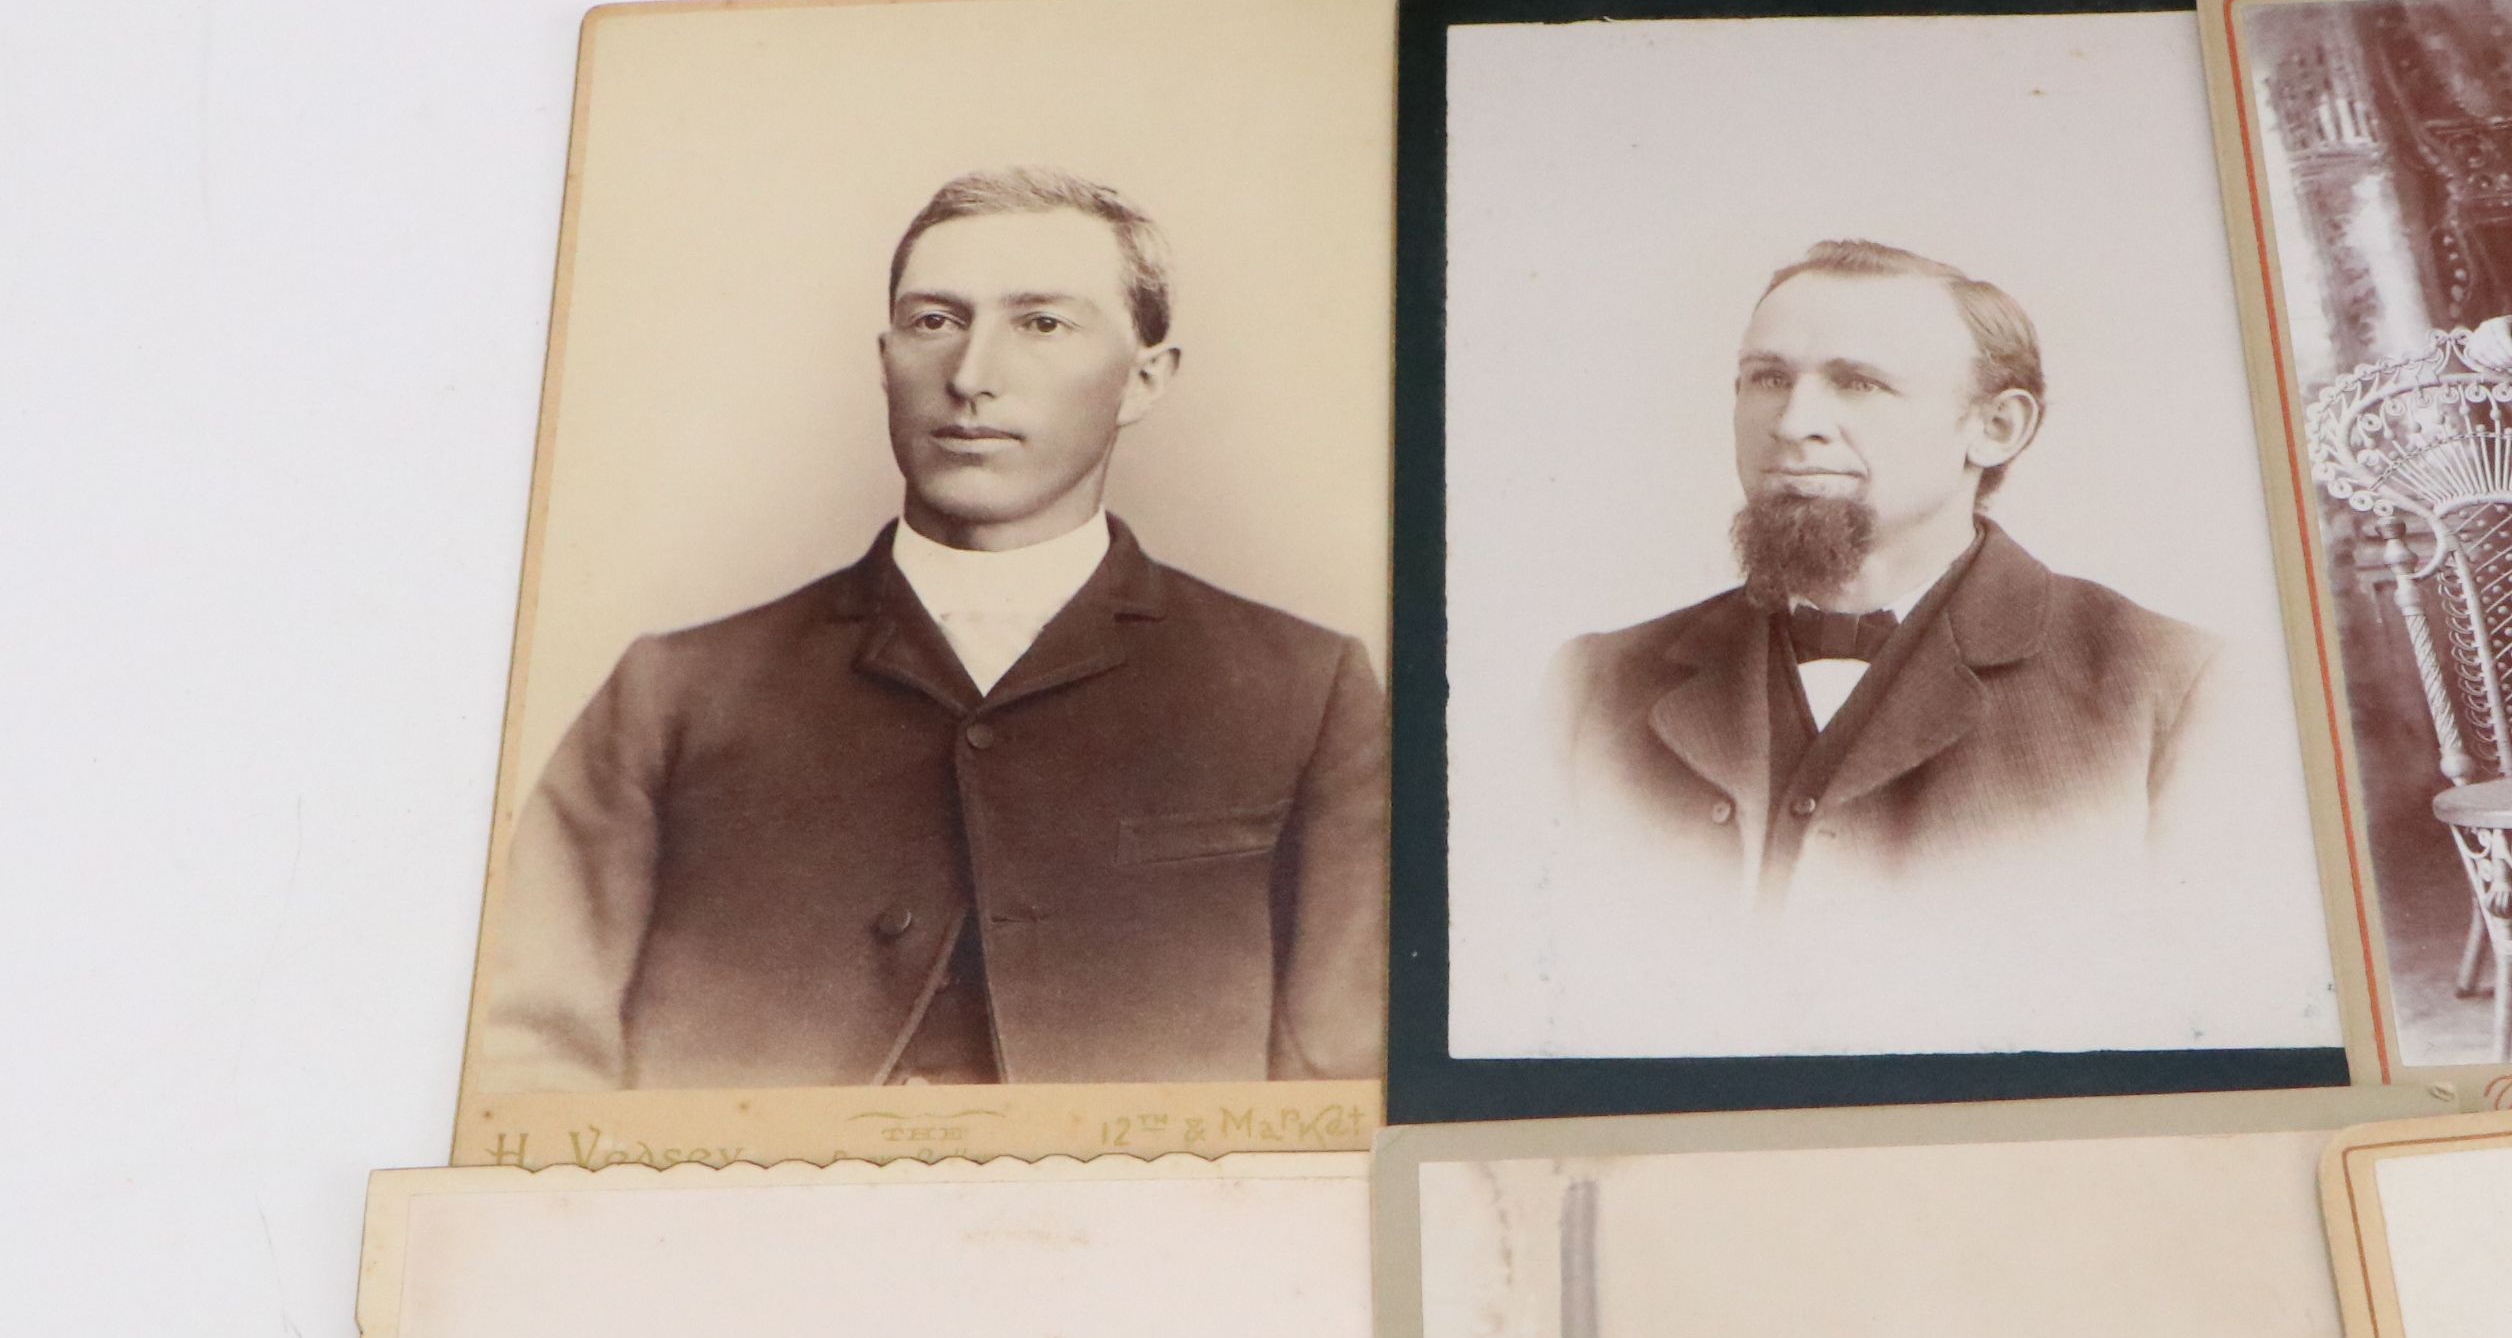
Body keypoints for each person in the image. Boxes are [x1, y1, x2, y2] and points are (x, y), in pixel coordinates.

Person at [476, 166, 1386, 1092]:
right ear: (885, 361)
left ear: (1145, 380)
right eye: (935, 322)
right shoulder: (674, 691)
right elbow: (525, 1056)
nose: (971, 377)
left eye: (1042, 324)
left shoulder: (1304, 689)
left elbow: (1343, 1082)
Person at [1545, 240, 2235, 1052]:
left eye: (1858, 383)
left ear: (1996, 427)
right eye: (1767, 378)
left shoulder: (2172, 684)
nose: (1794, 424)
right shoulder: (1593, 683)